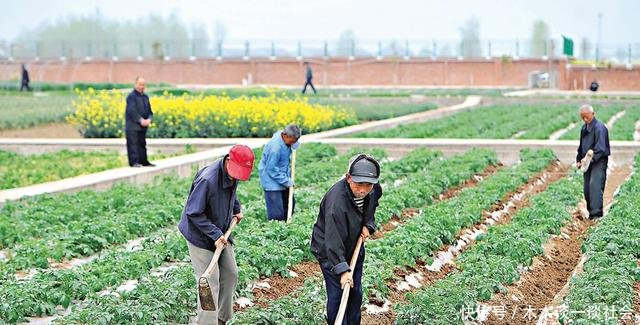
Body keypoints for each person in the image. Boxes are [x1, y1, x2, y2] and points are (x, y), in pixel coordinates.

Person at [178, 144, 255, 325]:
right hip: (199, 236)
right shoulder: (207, 180)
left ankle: (221, 319)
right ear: (228, 160)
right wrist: (214, 234)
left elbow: (231, 193)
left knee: (231, 273)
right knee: (209, 282)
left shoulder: (232, 173)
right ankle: (206, 323)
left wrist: (236, 210)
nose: (237, 176)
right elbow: (193, 212)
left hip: (220, 231)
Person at [310, 154, 383, 325]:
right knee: (338, 294)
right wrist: (342, 270)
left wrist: (368, 224)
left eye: (368, 185)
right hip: (329, 252)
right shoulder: (336, 203)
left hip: (353, 244)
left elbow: (372, 203)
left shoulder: (373, 188)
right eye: (359, 184)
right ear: (348, 178)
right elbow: (333, 241)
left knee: (355, 292)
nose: (364, 190)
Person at [258, 124, 301, 221]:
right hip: (271, 180)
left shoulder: (286, 139)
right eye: (293, 141)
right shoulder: (275, 148)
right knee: (276, 214)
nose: (293, 143)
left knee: (290, 204)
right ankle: (277, 232)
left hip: (282, 176)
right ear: (286, 136)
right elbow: (271, 169)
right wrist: (286, 181)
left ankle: (286, 226)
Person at [576, 104, 610, 219]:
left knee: (595, 186)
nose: (585, 119)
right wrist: (579, 159)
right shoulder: (584, 128)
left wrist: (590, 158)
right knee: (587, 188)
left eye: (587, 116)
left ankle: (596, 215)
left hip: (598, 161)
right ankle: (591, 213)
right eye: (583, 117)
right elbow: (581, 147)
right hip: (587, 161)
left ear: (593, 114)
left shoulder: (600, 128)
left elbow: (601, 148)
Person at [125, 77, 154, 167]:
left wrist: (149, 119)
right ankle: (134, 162)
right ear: (135, 84)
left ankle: (144, 161)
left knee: (142, 144)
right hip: (133, 125)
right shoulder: (131, 96)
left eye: (143, 85)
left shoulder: (145, 97)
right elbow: (131, 111)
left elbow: (150, 111)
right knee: (133, 144)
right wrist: (140, 120)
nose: (142, 86)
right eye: (140, 84)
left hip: (143, 126)